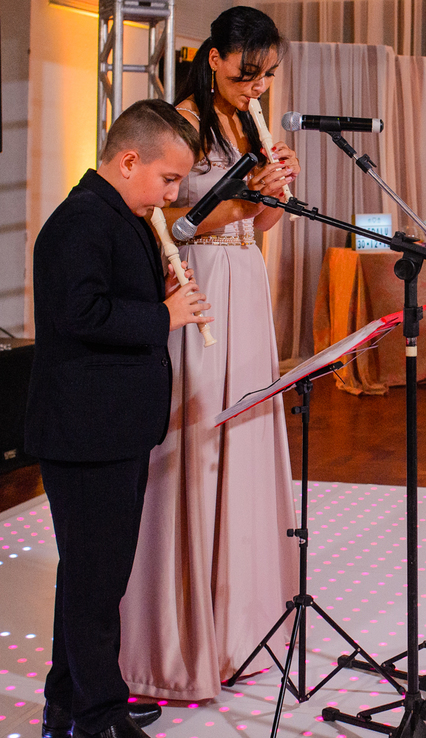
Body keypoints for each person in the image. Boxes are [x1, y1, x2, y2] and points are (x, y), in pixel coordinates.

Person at [118, 6, 301, 700]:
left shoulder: (247, 121)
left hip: (246, 278)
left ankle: (240, 619)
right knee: (197, 441)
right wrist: (238, 200)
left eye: (268, 76)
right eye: (249, 72)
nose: (258, 86)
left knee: (247, 433)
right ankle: (182, 630)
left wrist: (275, 189)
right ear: (216, 58)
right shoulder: (179, 121)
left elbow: (266, 220)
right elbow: (163, 217)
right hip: (196, 282)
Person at [26, 99, 209, 738]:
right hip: (85, 428)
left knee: (92, 574)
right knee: (96, 582)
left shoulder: (118, 215)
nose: (171, 196)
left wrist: (153, 289)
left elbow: (110, 297)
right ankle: (97, 721)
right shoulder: (80, 222)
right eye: (166, 181)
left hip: (110, 423)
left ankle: (69, 698)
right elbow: (81, 315)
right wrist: (165, 314)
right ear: (128, 160)